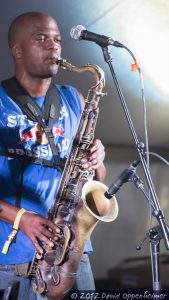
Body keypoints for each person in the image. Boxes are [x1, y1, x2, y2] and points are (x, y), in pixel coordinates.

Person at [0, 12, 106, 300]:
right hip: (12, 259)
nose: (54, 46)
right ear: (17, 50)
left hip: (71, 253)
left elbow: (96, 180)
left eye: (57, 40)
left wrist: (96, 159)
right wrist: (21, 218)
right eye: (41, 38)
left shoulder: (75, 98)